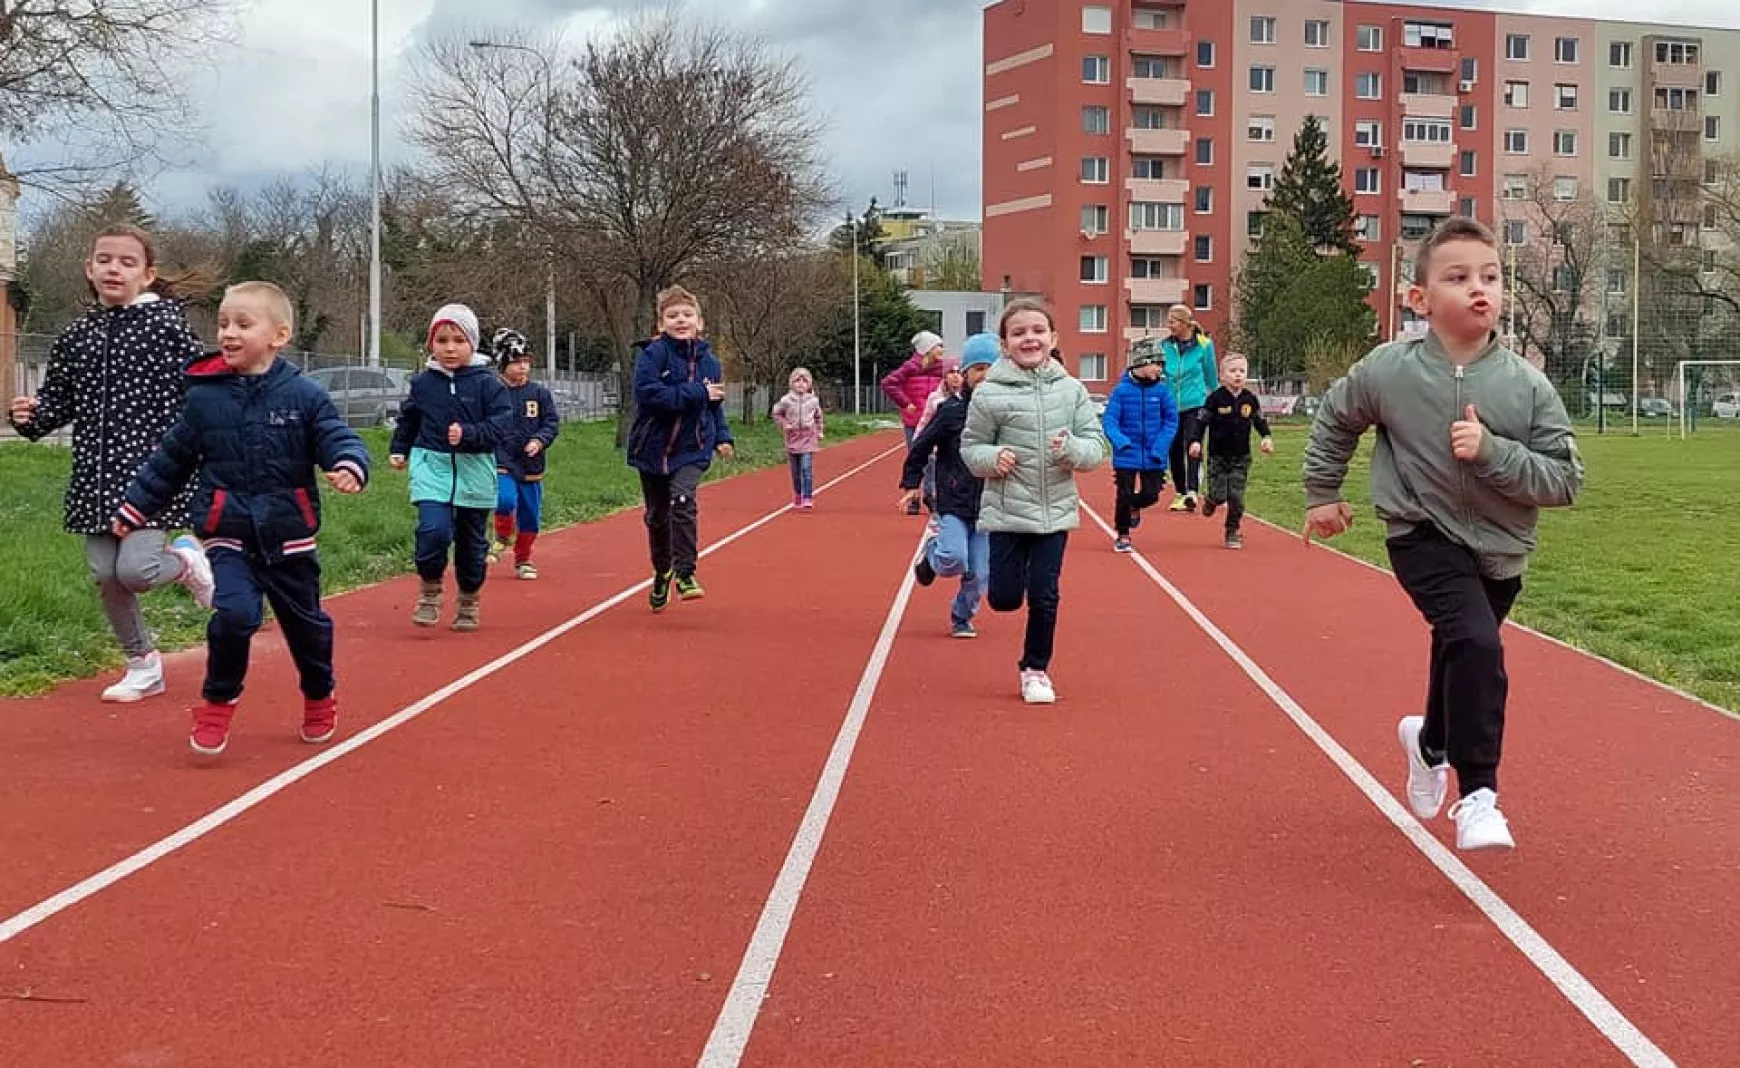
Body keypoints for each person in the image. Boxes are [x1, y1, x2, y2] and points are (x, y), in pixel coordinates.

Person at [1302, 216, 1584, 852]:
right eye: (1458, 278)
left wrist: (1492, 453)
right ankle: (1479, 795)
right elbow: (1334, 420)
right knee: (1478, 646)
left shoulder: (1527, 386)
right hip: (1420, 532)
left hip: (1502, 548)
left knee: (1461, 649)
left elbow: (1565, 480)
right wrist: (1323, 495)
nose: (1478, 289)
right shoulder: (1389, 371)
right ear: (1420, 300)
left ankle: (1430, 740)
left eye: (1490, 276)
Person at [111, 281, 369, 756]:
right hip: (227, 531)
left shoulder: (305, 395)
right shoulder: (204, 399)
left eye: (243, 325)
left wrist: (348, 465)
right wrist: (134, 507)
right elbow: (170, 461)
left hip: (289, 537)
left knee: (307, 628)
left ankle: (318, 693)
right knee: (233, 615)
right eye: (224, 323)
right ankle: (217, 702)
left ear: (279, 335)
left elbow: (337, 437)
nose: (228, 333)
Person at [6, 224, 215, 703]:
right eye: (105, 260)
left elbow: (198, 391)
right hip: (94, 479)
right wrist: (28, 416)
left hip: (152, 477)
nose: (114, 269)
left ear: (147, 274)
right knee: (106, 574)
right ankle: (143, 664)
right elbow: (57, 403)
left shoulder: (166, 327)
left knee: (137, 571)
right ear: (89, 269)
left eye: (126, 262)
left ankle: (185, 562)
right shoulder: (77, 335)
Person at [961, 300, 1105, 704]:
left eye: (1038, 331)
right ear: (1005, 345)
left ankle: (1035, 670)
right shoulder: (988, 393)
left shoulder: (1072, 390)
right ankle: (1007, 583)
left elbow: (1096, 446)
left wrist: (1073, 450)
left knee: (1045, 593)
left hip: (1054, 511)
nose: (1030, 338)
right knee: (1005, 599)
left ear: (1053, 339)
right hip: (1007, 512)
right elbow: (971, 448)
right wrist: (993, 459)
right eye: (1019, 332)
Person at [389, 304, 512, 630]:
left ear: (471, 343)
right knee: (433, 530)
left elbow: (501, 425)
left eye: (458, 340)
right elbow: (409, 418)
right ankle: (430, 591)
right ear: (432, 343)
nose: (450, 348)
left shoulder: (488, 384)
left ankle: (469, 598)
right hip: (432, 465)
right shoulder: (423, 383)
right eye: (442, 340)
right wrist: (400, 448)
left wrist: (470, 434)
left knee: (472, 544)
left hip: (475, 469)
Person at [626, 285, 734, 611]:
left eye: (687, 315)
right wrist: (696, 393)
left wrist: (723, 437)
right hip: (652, 449)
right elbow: (650, 395)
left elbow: (715, 406)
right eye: (672, 316)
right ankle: (663, 571)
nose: (680, 320)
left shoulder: (710, 363)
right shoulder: (652, 356)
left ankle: (686, 572)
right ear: (661, 324)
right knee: (657, 518)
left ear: (699, 322)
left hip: (692, 447)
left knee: (683, 500)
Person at [901, 333, 998, 638]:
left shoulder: (1006, 415)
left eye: (991, 368)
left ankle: (961, 615)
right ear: (965, 374)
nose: (985, 375)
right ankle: (932, 555)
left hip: (990, 506)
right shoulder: (951, 412)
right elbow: (919, 447)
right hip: (954, 499)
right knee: (953, 558)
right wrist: (912, 483)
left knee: (980, 573)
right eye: (978, 368)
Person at [488, 329, 560, 579]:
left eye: (526, 362)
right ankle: (501, 535)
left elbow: (551, 423)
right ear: (502, 364)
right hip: (502, 458)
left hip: (531, 464)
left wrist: (540, 441)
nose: (522, 367)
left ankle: (523, 559)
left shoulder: (539, 394)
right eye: (516, 362)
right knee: (505, 500)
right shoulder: (492, 391)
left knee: (530, 518)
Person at [1188, 352, 1273, 550]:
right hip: (1218, 456)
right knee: (1219, 495)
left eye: (1242, 371)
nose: (1238, 375)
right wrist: (1195, 442)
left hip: (1240, 457)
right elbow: (1200, 422)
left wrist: (1266, 438)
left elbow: (1259, 421)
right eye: (1233, 371)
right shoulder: (1214, 399)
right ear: (1222, 375)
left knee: (1236, 497)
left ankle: (1232, 530)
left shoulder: (1250, 399)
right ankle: (1211, 500)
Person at [1101, 342, 1179, 553]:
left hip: (1155, 454)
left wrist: (1160, 446)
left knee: (1151, 494)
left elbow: (1171, 421)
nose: (1160, 369)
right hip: (1127, 453)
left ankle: (1135, 506)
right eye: (1156, 364)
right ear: (1141, 363)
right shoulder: (1121, 391)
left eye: (1162, 365)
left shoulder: (1163, 392)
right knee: (1124, 494)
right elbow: (1110, 420)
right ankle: (1123, 533)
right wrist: (1121, 441)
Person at [881, 330, 949, 514]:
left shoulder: (943, 368)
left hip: (934, 420)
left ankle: (930, 494)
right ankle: (913, 497)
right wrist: (905, 402)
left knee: (934, 459)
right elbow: (888, 383)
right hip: (913, 420)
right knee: (916, 458)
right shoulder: (910, 367)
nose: (942, 349)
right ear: (927, 349)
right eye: (938, 346)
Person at [1160, 305, 1218, 512]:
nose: (1169, 326)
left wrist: (1217, 398)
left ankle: (1193, 491)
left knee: (1192, 445)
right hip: (1171, 405)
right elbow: (1160, 373)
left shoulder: (1204, 344)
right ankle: (1181, 492)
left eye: (1172, 321)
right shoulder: (1165, 346)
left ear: (1185, 323)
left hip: (1196, 403)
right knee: (1174, 449)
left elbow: (1211, 374)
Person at [772, 366, 824, 510]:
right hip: (793, 438)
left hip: (808, 438)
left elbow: (819, 417)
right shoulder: (786, 400)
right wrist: (784, 424)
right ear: (792, 383)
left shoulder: (813, 401)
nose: (801, 384)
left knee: (806, 468)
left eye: (804, 381)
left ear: (809, 384)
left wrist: (819, 431)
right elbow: (776, 414)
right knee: (795, 472)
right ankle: (798, 494)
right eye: (797, 381)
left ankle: (808, 496)